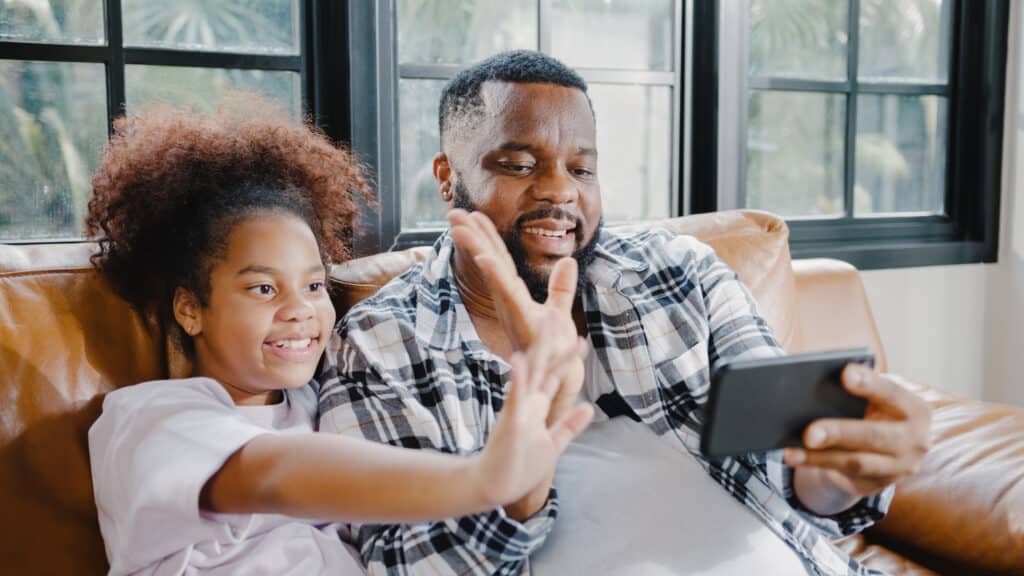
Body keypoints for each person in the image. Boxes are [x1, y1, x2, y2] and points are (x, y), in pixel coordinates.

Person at [317, 51, 931, 575]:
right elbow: (401, 560)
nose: (561, 190)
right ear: (449, 178)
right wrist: (532, 433)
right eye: (520, 164)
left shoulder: (680, 270)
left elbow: (780, 467)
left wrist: (840, 476)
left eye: (582, 168)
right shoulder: (380, 340)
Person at [85, 102, 594, 576]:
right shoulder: (154, 420)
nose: (300, 311)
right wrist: (476, 480)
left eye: (313, 285)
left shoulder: (324, 401)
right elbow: (275, 476)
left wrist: (541, 401)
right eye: (263, 288)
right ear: (189, 308)